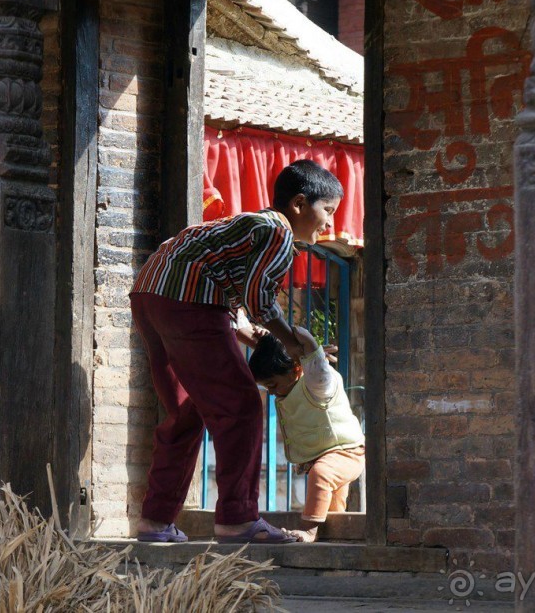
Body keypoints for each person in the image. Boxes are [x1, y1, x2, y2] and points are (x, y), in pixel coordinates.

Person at [129, 159, 343, 543]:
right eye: (327, 211)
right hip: (189, 298)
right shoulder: (278, 230)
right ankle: (238, 519)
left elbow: (241, 318)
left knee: (186, 413)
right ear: (298, 205)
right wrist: (294, 343)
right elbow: (260, 300)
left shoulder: (250, 225)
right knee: (242, 407)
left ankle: (155, 522)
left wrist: (278, 343)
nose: (330, 223)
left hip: (152, 292)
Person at [249, 332, 365, 543]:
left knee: (321, 474)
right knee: (333, 515)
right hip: (328, 454)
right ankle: (328, 542)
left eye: (273, 386)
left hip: (347, 451)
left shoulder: (318, 385)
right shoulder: (293, 383)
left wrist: (311, 345)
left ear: (297, 368)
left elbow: (317, 368)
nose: (272, 393)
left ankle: (309, 530)